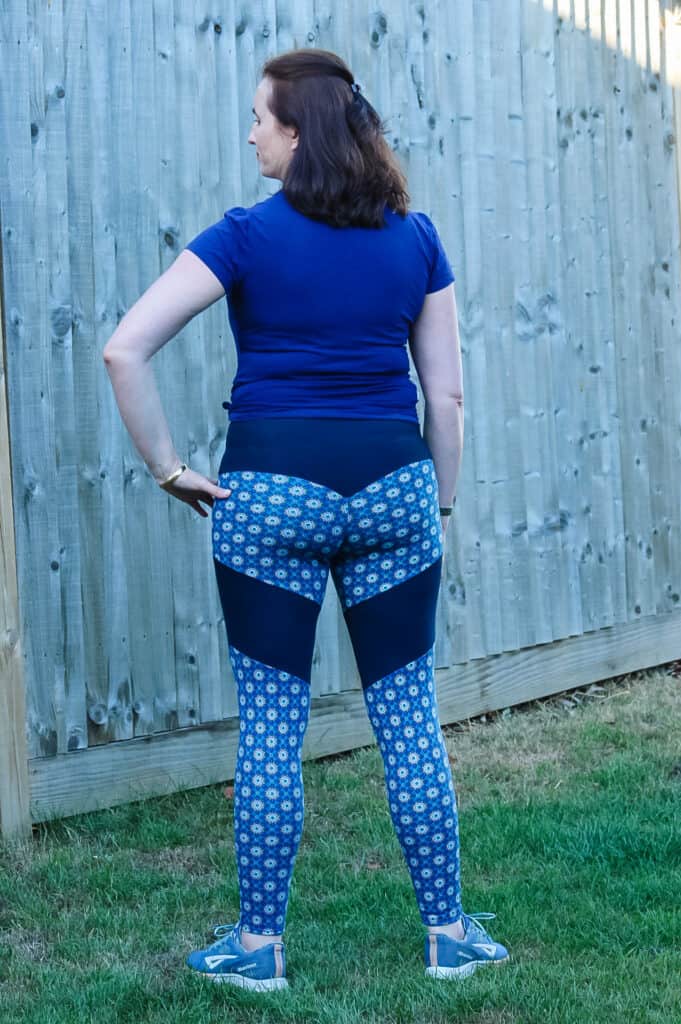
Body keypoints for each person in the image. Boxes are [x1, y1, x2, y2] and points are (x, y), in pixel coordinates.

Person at [103, 47, 509, 992]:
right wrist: (439, 501)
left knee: (271, 726)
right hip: (392, 486)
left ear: (297, 135)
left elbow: (125, 350)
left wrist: (169, 470)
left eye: (259, 118)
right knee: (407, 716)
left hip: (270, 495)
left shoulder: (244, 235)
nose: (249, 133)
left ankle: (258, 951)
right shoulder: (416, 239)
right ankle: (448, 936)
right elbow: (445, 398)